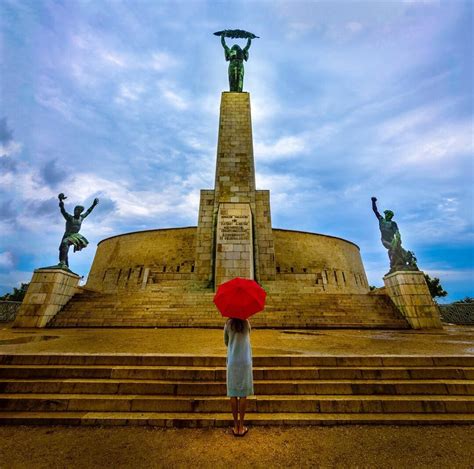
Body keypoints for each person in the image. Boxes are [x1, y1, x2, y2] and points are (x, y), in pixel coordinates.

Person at [224, 317, 253, 436]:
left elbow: (226, 342)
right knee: (243, 394)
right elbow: (248, 336)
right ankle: (242, 426)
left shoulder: (228, 324)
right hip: (244, 361)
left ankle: (235, 426)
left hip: (233, 361)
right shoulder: (246, 323)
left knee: (233, 393)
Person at [58, 193, 99, 267]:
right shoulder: (70, 217)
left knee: (65, 243)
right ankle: (65, 264)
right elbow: (63, 212)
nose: (75, 211)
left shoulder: (81, 217)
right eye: (75, 210)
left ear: (80, 212)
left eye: (77, 210)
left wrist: (94, 205)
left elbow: (88, 211)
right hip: (67, 234)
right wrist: (61, 204)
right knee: (62, 250)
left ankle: (63, 262)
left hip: (75, 235)